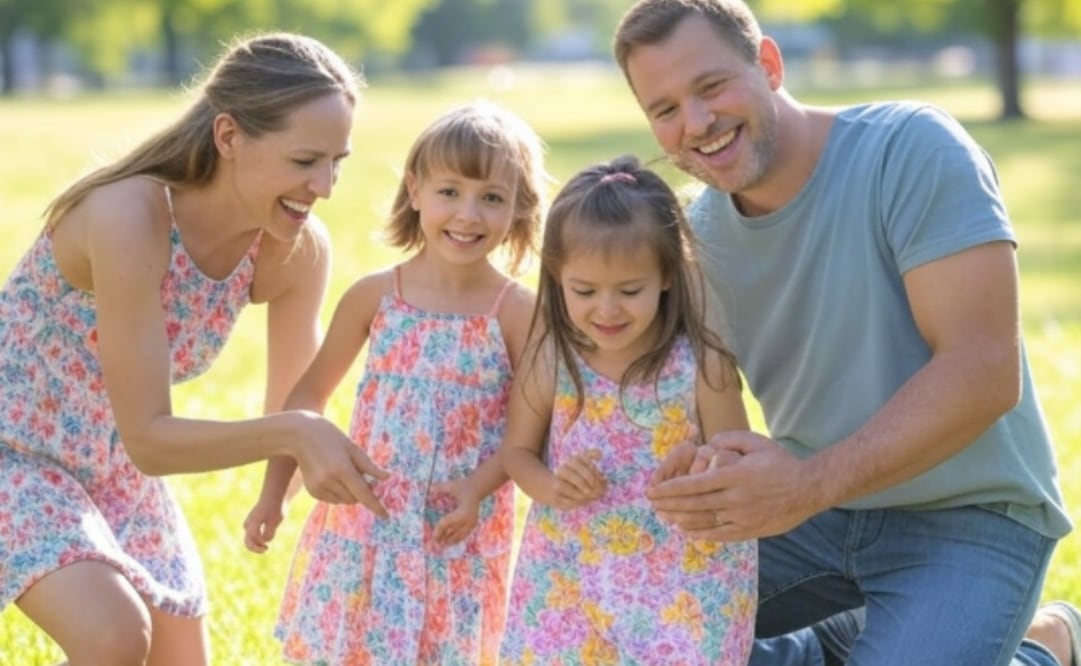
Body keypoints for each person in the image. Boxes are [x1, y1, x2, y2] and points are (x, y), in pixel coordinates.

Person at [611, 1, 1078, 665]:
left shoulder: (909, 149)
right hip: (812, 518)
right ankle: (837, 647)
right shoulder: (695, 242)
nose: (694, 124)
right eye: (664, 109)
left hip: (971, 515)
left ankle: (1043, 648)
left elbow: (982, 370)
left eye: (711, 86)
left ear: (767, 64)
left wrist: (807, 485)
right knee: (615, 626)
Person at [0, 33, 391, 666]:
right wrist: (294, 434)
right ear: (230, 137)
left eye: (336, 161)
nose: (325, 185)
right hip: (12, 450)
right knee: (114, 635)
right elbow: (152, 439)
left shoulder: (294, 249)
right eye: (304, 161)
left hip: (110, 467)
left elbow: (298, 399)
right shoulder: (129, 213)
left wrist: (284, 487)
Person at [241, 99, 548, 666]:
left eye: (492, 198)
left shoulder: (517, 313)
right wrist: (274, 491)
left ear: (519, 209)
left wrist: (477, 489)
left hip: (458, 534)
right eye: (450, 192)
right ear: (415, 190)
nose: (468, 215)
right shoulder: (376, 296)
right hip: (367, 525)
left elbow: (528, 434)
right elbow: (306, 398)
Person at [499, 155, 756, 664]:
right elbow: (517, 453)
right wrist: (551, 486)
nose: (608, 309)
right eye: (585, 291)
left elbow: (737, 461)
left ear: (666, 274)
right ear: (557, 276)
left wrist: (703, 468)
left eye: (630, 290)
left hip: (683, 577)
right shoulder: (553, 358)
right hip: (572, 573)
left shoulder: (702, 365)